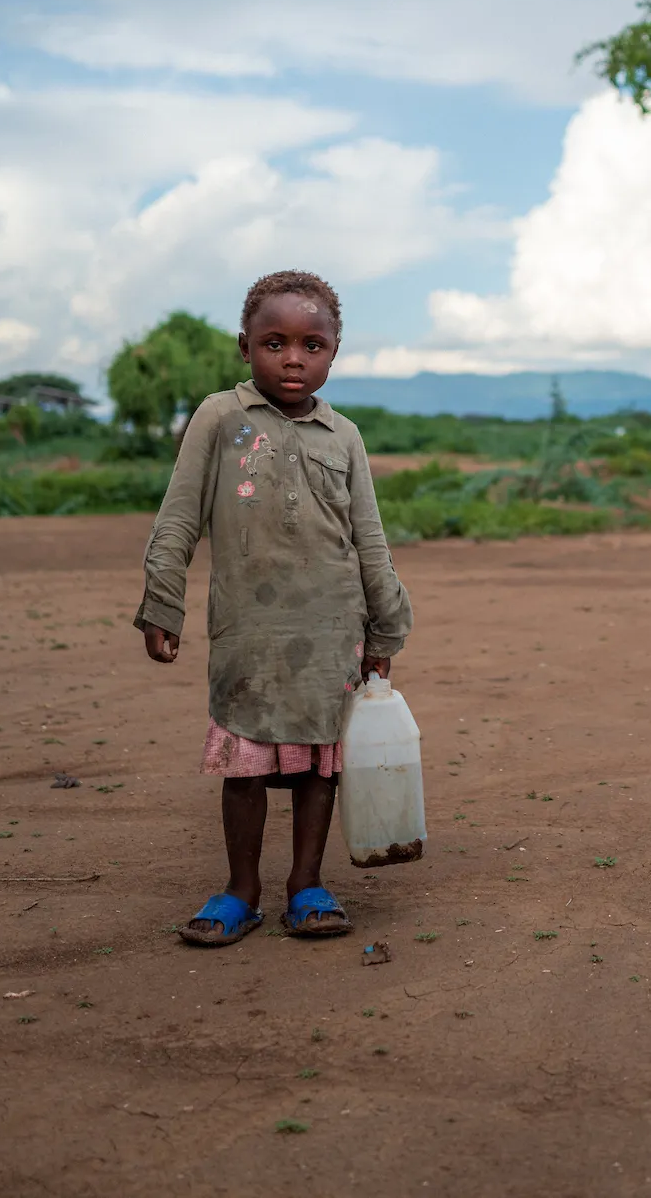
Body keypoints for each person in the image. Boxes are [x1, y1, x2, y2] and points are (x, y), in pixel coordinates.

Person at [134, 270, 413, 945]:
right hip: (247, 633)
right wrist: (162, 602)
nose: (294, 358)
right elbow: (179, 516)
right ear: (245, 346)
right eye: (275, 342)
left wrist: (385, 627)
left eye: (313, 344)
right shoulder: (221, 418)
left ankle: (307, 884)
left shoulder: (343, 435)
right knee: (244, 764)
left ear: (334, 350)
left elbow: (368, 537)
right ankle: (242, 890)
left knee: (322, 762)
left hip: (329, 631)